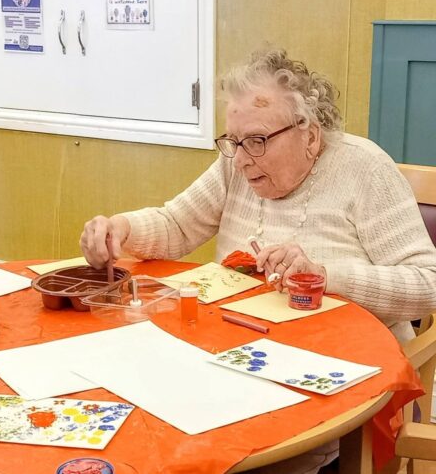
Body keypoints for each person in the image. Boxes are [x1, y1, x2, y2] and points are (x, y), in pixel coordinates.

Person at [80, 48, 436, 344]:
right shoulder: (235, 161)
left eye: (258, 140)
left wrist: (326, 275)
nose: (241, 160)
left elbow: (428, 282)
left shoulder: (365, 168)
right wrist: (121, 228)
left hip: (348, 359)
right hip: (244, 346)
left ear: (309, 136)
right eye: (233, 141)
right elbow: (177, 224)